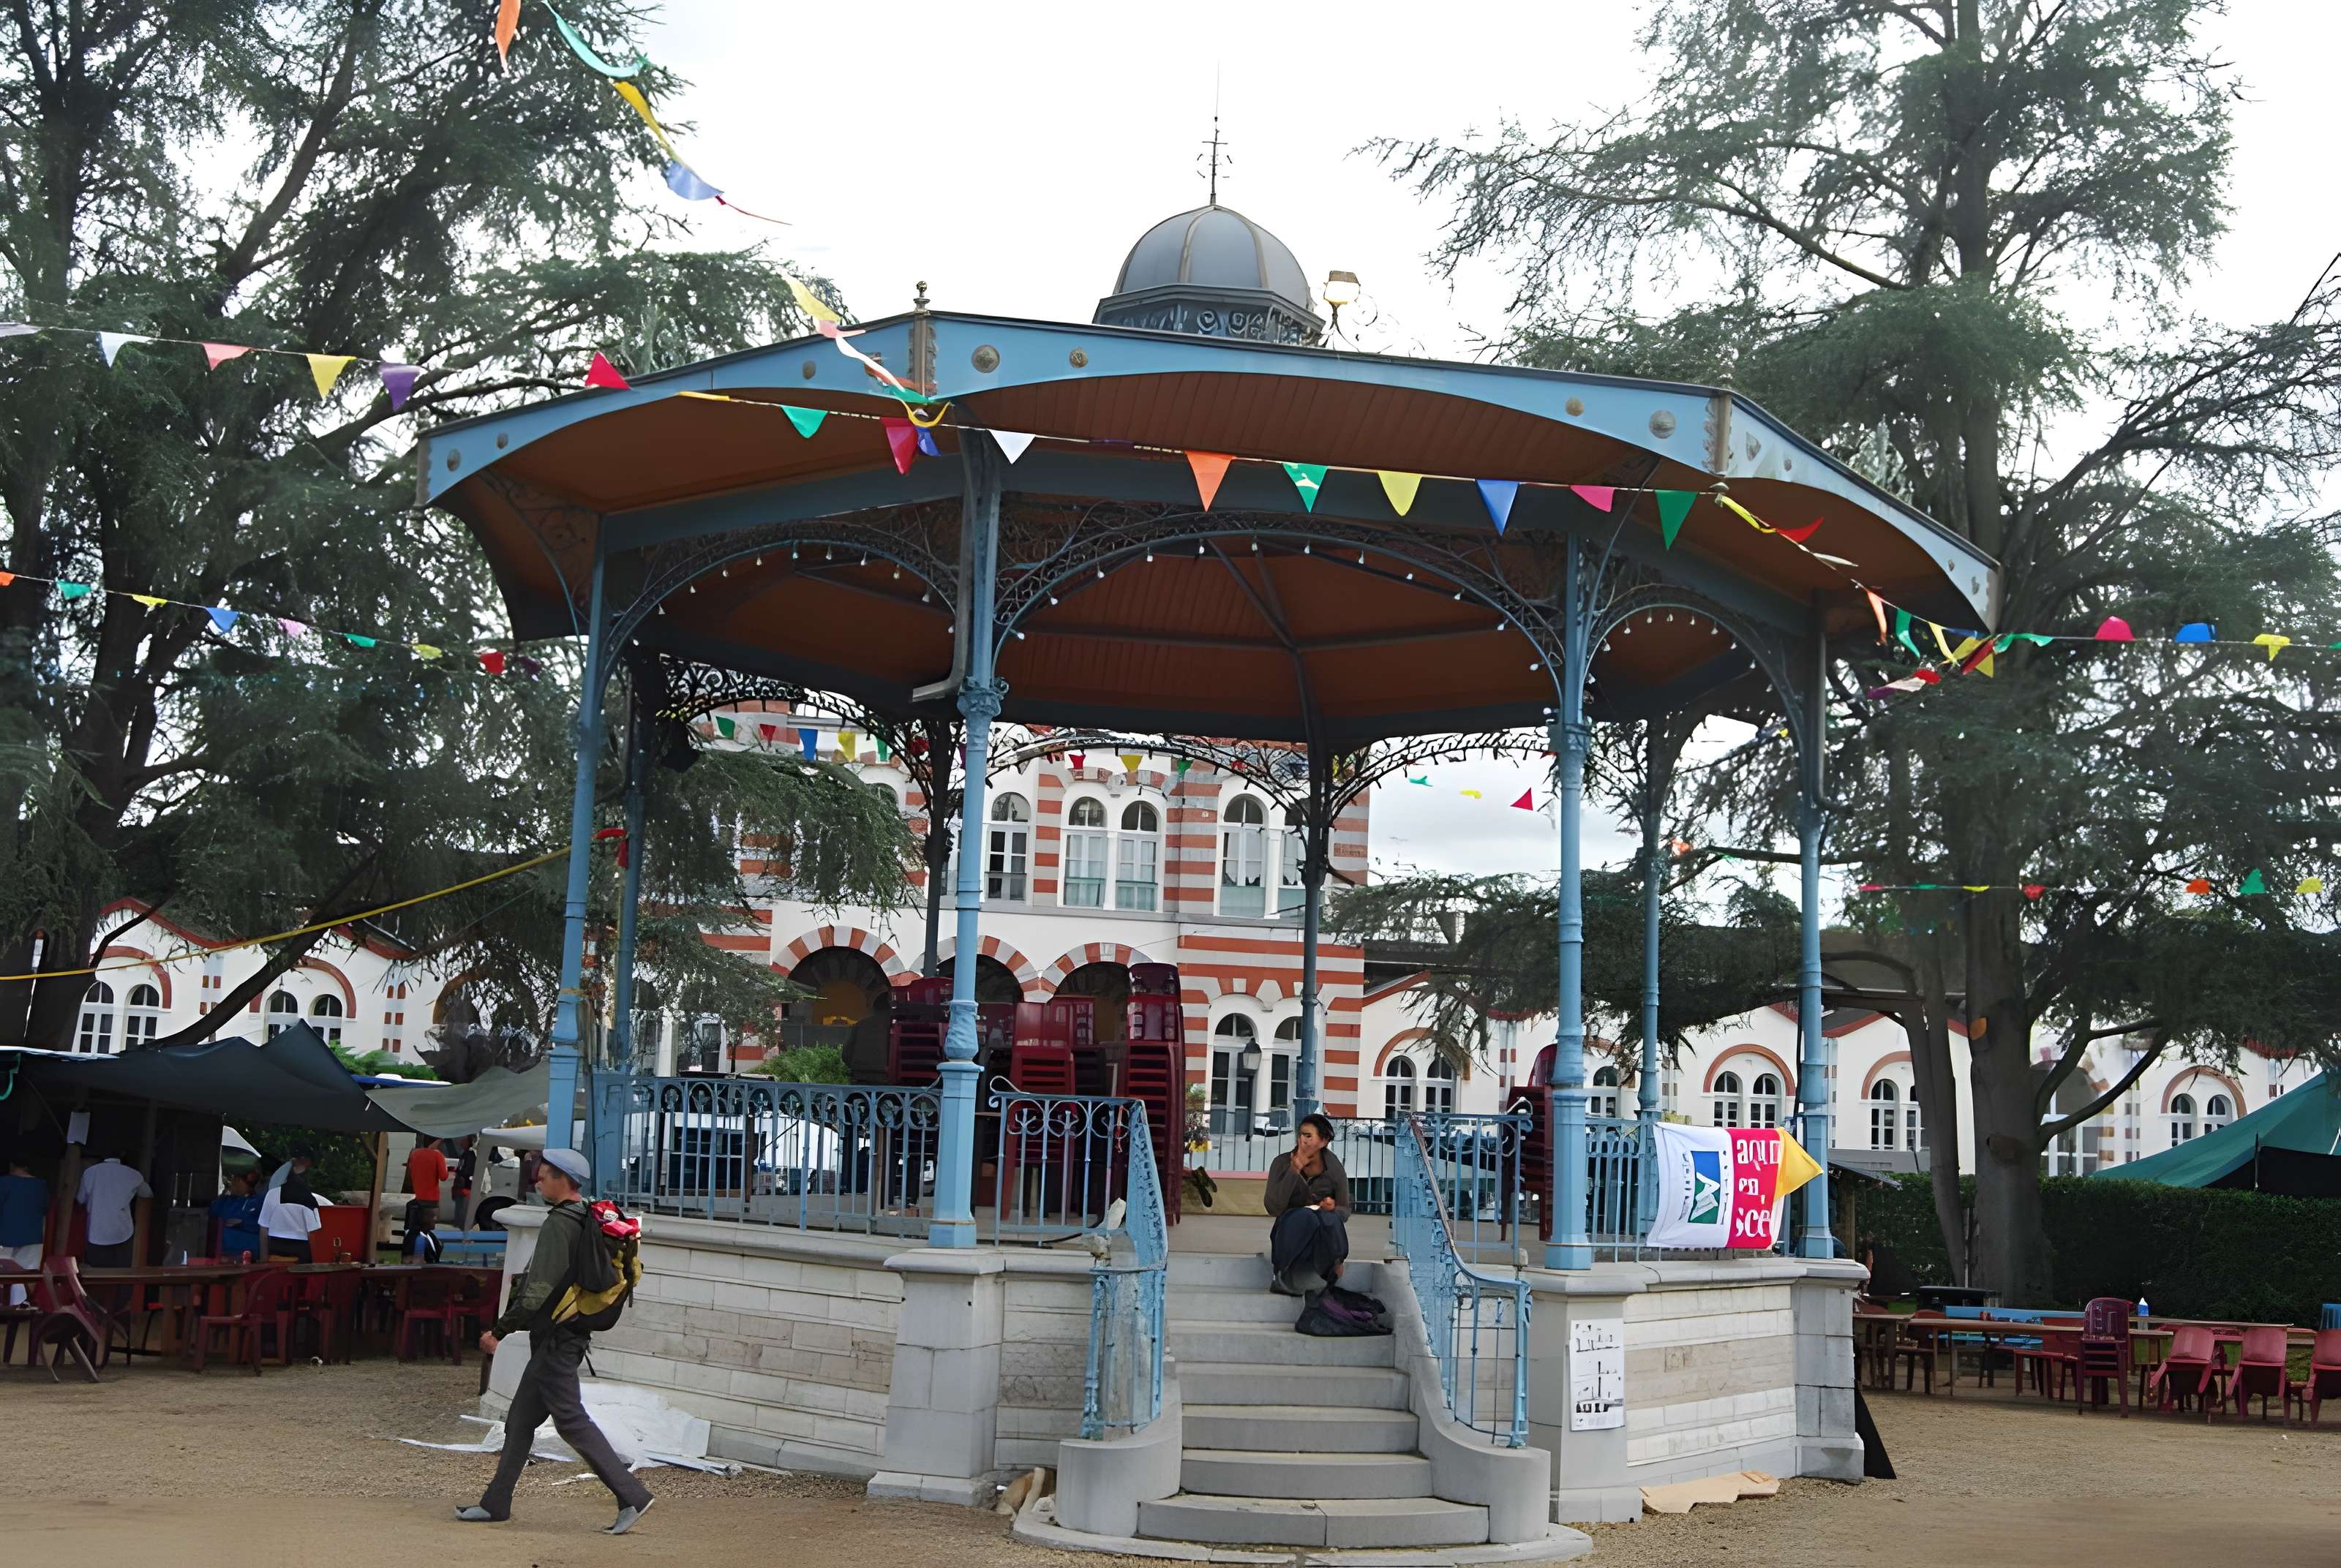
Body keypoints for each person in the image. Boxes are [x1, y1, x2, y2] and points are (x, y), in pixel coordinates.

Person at [457, 1147, 652, 1535]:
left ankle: (632, 1496)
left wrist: (499, 1331)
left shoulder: (560, 1223)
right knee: (520, 1421)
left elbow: (536, 1292)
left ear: (563, 1179)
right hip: (565, 1336)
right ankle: (496, 1503)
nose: (538, 1180)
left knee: (571, 1421)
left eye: (544, 1174)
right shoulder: (586, 1215)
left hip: (556, 1341)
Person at [1263, 1113, 1350, 1298]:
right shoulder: (1281, 1163)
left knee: (1328, 1218)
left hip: (1321, 1237)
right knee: (1306, 1216)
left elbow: (1344, 1211)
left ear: (1324, 1141)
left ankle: (1330, 1271)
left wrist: (1331, 1208)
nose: (1303, 1140)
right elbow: (1273, 1208)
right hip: (1290, 1231)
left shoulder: (1334, 1169)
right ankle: (1284, 1275)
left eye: (1309, 1136)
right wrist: (1293, 1172)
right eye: (1301, 1135)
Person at [75, 1153, 151, 1268]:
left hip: (96, 1232)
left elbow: (80, 1199)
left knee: (96, 1273)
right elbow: (147, 1194)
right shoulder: (132, 1174)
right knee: (121, 1272)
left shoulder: (90, 1172)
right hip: (122, 1232)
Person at [1, 1157, 48, 1305]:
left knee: (3, 1274)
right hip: (33, 1236)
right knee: (26, 1274)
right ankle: (20, 1304)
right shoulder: (41, 1185)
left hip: (5, 1236)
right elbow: (45, 1211)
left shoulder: (4, 1182)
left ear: (12, 1165)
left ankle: (5, 1306)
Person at [259, 1168, 323, 1261]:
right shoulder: (308, 1198)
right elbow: (313, 1231)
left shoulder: (273, 1194)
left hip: (276, 1246)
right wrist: (315, 1260)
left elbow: (264, 1227)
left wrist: (263, 1259)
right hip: (301, 1248)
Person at [207, 1169, 265, 1262]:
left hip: (249, 1252)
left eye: (234, 1179)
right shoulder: (225, 1201)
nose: (231, 1184)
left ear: (239, 1181)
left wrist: (242, 1223)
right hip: (221, 1251)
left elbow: (263, 1225)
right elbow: (209, 1214)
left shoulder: (259, 1201)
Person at [405, 1137, 450, 1235]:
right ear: (435, 1141)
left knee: (417, 1223)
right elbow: (443, 1177)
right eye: (439, 1141)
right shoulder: (438, 1155)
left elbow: (410, 1169)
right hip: (431, 1198)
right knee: (428, 1226)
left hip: (418, 1196)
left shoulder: (415, 1153)